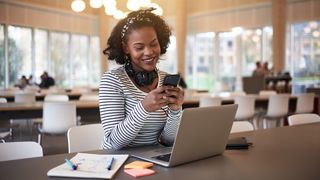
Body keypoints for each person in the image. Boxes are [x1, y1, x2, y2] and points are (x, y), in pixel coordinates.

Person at [99, 8, 184, 150]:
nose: (149, 52)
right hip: (118, 161)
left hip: (153, 160)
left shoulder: (165, 79)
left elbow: (168, 141)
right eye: (139, 47)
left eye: (153, 44)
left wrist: (176, 110)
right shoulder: (112, 80)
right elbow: (114, 143)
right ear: (126, 48)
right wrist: (143, 108)